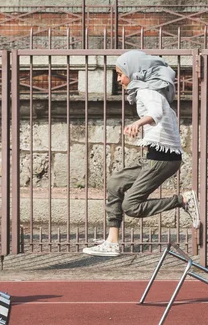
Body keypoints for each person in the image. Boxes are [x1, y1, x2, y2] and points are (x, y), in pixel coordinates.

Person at [83, 50, 199, 257]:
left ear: (134, 71)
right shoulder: (146, 91)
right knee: (115, 183)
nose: (119, 79)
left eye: (120, 74)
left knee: (131, 206)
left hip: (163, 159)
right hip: (154, 156)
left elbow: (156, 114)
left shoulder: (148, 91)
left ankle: (182, 200)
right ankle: (112, 241)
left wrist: (137, 123)